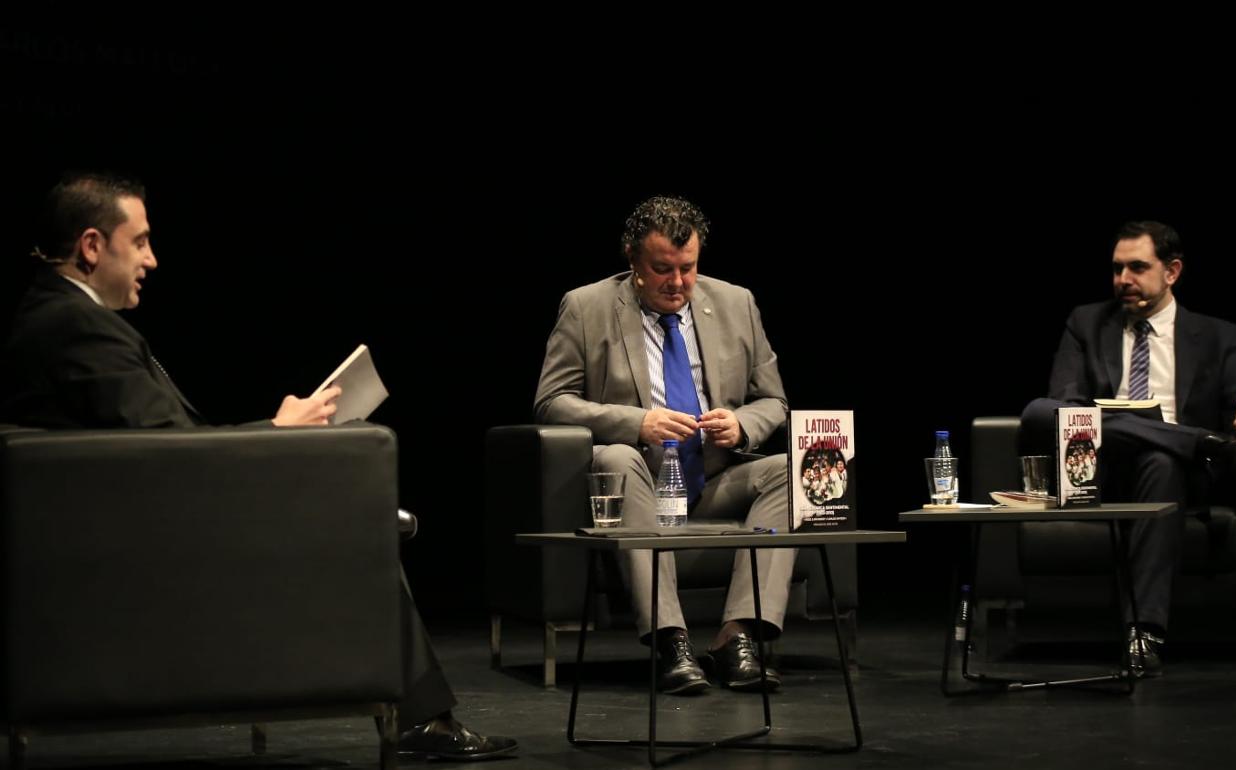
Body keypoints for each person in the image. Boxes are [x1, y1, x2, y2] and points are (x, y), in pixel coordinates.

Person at [0, 172, 516, 761]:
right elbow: (170, 456)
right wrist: (278, 432)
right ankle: (425, 722)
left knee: (348, 501)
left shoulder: (61, 314)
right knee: (356, 527)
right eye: (139, 241)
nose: (152, 259)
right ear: (92, 246)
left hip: (141, 520)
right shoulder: (73, 325)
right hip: (150, 544)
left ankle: (422, 716)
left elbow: (159, 447)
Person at [534, 195, 795, 695]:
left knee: (788, 470)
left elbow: (774, 401)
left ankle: (735, 637)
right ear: (632, 261)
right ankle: (672, 641)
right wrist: (638, 422)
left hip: (712, 477)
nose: (677, 283)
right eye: (661, 270)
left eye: (687, 268)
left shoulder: (737, 303)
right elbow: (552, 401)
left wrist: (740, 425)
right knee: (618, 455)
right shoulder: (586, 308)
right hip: (637, 482)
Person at [1020, 220, 1236, 677]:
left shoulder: (1219, 335)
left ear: (1173, 272)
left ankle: (1143, 633)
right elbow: (1067, 409)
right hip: (1096, 463)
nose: (1123, 280)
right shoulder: (1086, 322)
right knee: (1036, 412)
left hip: (1178, 477)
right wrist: (1185, 437)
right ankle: (1194, 441)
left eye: (1137, 268)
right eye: (1117, 268)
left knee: (1160, 462)